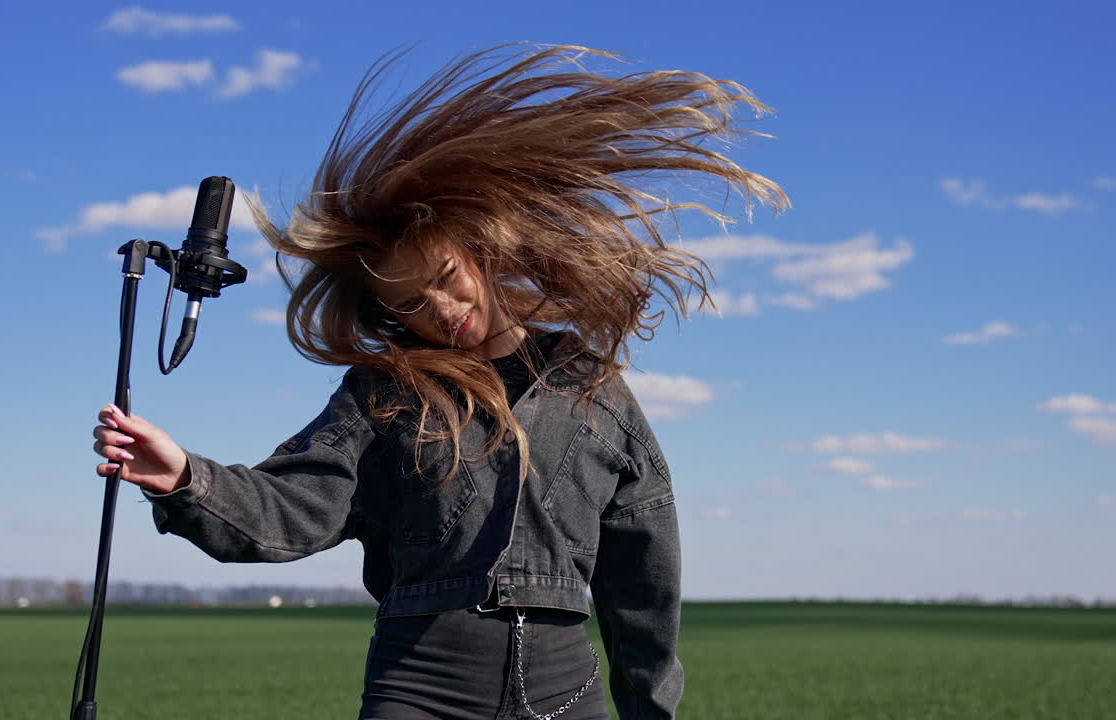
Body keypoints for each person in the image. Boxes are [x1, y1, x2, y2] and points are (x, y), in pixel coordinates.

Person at [91, 44, 787, 720]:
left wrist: (649, 710)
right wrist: (185, 477)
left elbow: (645, 583)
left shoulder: (591, 388)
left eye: (447, 281)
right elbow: (296, 507)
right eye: (411, 305)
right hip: (421, 684)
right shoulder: (384, 393)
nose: (442, 313)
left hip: (566, 691)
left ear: (481, 252)